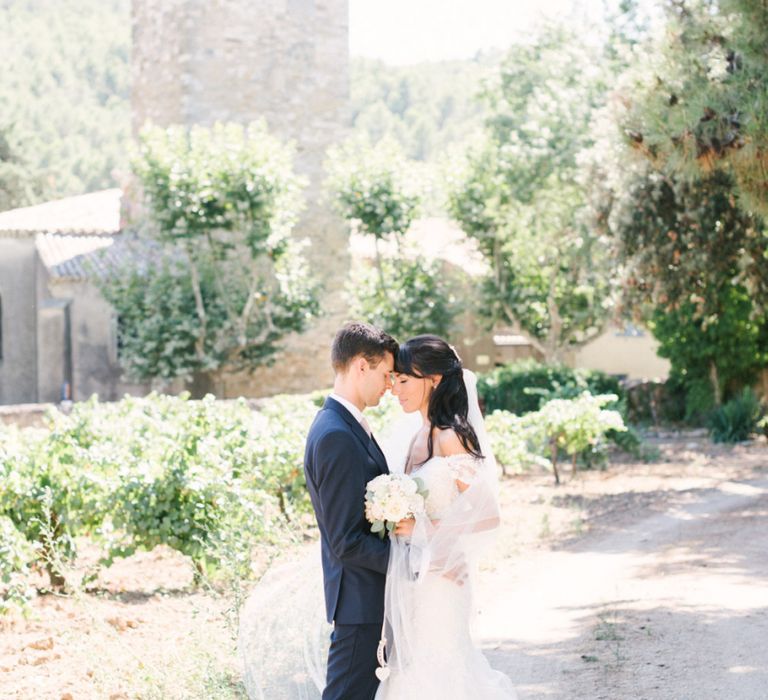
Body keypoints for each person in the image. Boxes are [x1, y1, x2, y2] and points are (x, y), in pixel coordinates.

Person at [374, 334, 516, 699]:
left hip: (442, 581)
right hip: (416, 575)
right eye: (394, 380)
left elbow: (488, 514)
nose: (394, 389)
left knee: (440, 672)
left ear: (433, 381)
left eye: (403, 380)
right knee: (412, 672)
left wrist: (424, 529)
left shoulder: (450, 435)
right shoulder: (418, 433)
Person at [303, 322, 399, 700]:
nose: (390, 385)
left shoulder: (346, 425)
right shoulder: (336, 436)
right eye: (386, 374)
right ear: (362, 366)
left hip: (367, 600)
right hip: (359, 605)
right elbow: (347, 541)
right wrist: (409, 560)